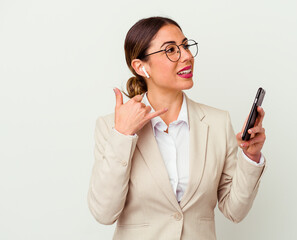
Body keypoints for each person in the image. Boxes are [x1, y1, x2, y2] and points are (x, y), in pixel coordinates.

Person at [87, 16, 266, 240]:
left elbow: (235, 210)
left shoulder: (217, 123)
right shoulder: (110, 127)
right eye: (171, 50)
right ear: (141, 67)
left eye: (186, 46)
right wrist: (123, 135)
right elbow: (104, 213)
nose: (187, 56)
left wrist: (251, 157)